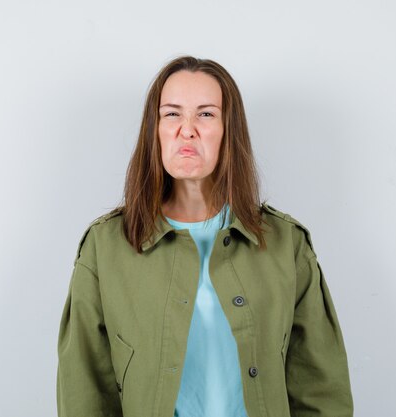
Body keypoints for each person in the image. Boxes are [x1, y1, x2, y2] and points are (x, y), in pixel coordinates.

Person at [56, 56, 354, 417]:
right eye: (172, 114)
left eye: (206, 114)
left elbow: (321, 389)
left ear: (229, 129)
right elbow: (84, 393)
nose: (188, 129)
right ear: (155, 129)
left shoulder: (285, 245)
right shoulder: (105, 249)